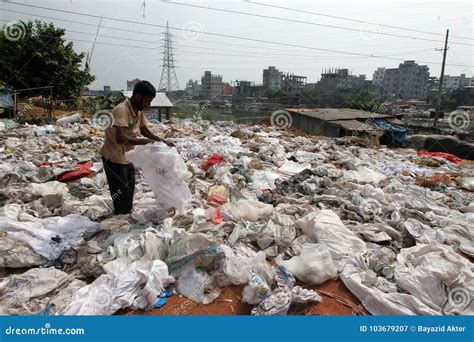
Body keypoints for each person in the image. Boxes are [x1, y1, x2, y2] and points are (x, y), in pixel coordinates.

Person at [99, 80, 173, 215]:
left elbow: (145, 131)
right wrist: (145, 142)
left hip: (128, 156)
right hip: (114, 157)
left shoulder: (138, 110)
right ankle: (121, 218)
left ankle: (126, 215)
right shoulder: (122, 110)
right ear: (138, 96)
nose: (149, 105)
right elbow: (120, 139)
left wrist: (162, 141)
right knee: (120, 192)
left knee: (130, 189)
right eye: (147, 101)